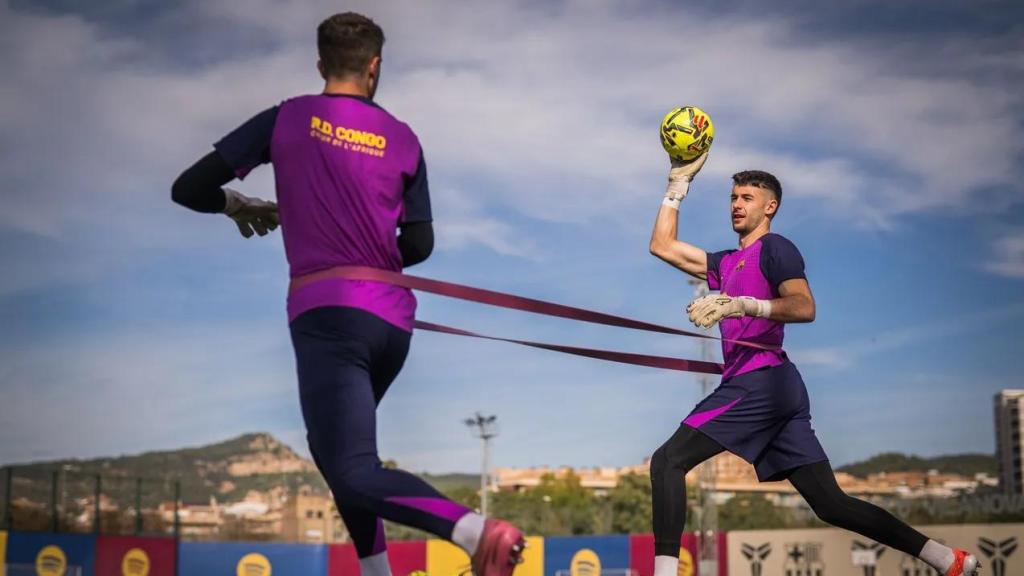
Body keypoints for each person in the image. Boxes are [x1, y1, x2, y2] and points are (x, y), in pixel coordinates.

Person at [171, 12, 524, 576]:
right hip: (391, 322)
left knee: (353, 466)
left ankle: (477, 532)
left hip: (327, 315)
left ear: (320, 64)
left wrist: (241, 205)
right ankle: (376, 570)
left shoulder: (286, 118)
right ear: (375, 66)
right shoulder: (404, 138)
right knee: (337, 455)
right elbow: (422, 244)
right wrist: (371, 260)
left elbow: (188, 188)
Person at [646, 152, 980, 576]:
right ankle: (947, 559)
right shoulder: (725, 262)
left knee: (667, 462)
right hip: (778, 388)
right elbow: (662, 246)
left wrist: (742, 304)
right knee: (829, 503)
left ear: (770, 207)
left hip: (760, 381)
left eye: (747, 197)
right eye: (733, 196)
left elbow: (804, 306)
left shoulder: (776, 248)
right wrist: (677, 186)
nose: (736, 204)